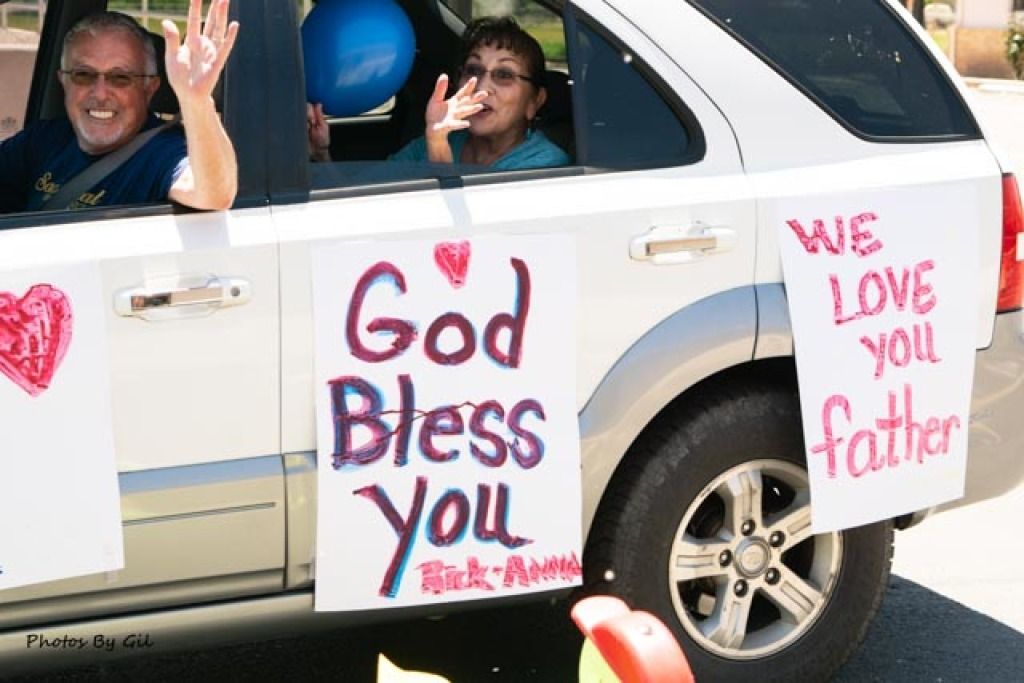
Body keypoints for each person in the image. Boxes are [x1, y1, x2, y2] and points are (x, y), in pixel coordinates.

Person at [0, 0, 239, 213]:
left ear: (150, 87)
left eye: (120, 78)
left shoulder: (163, 153)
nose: (101, 93)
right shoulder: (44, 139)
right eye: (83, 74)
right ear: (63, 80)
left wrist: (196, 100)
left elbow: (213, 194)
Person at [308, 16, 569, 171]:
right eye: (473, 69)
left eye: (504, 75)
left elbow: (460, 230)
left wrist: (437, 143)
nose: (480, 86)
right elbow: (366, 203)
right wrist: (321, 154)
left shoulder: (546, 165)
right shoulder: (442, 139)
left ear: (534, 102)